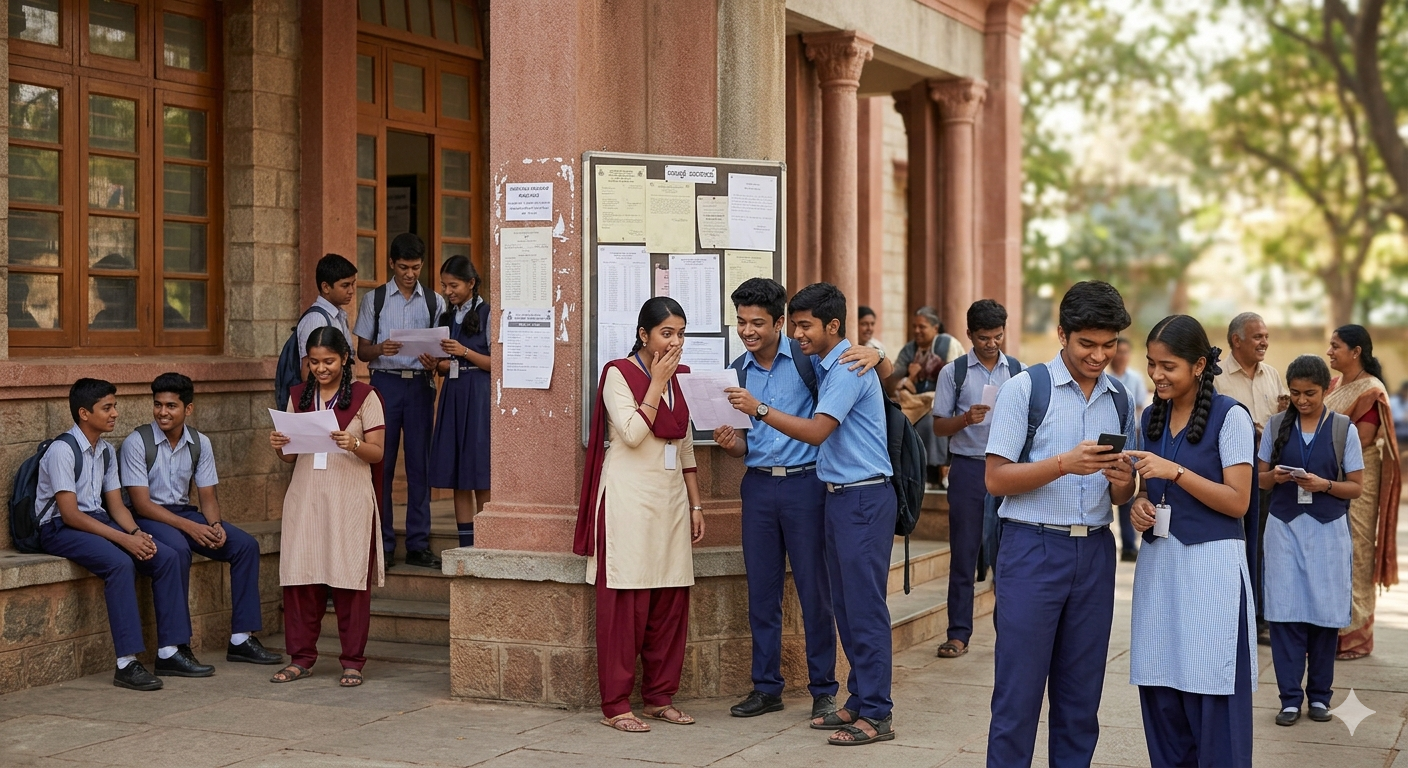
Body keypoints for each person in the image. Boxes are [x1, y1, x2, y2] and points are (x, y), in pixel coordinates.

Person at [725, 282, 897, 747]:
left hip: (860, 495)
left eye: (804, 326)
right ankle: (859, 702)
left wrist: (760, 408)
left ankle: (877, 714)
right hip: (838, 494)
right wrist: (879, 354)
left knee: (862, 609)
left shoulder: (842, 366)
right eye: (796, 325)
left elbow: (819, 431)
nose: (798, 335)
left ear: (831, 327)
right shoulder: (827, 363)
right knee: (847, 604)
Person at [983, 281, 1137, 767]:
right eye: (1086, 344)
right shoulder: (1025, 390)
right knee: (1018, 694)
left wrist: (1122, 479)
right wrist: (1063, 464)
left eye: (1108, 345)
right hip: (1032, 550)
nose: (1098, 356)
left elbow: (1122, 493)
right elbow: (995, 478)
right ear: (1062, 335)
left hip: (1094, 551)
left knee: (1080, 698)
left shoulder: (1120, 398)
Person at [713, 278, 861, 722]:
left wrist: (877, 354)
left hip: (806, 485)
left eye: (757, 322)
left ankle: (823, 689)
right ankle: (766, 688)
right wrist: (730, 444)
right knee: (762, 592)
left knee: (816, 591)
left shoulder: (806, 361)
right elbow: (745, 443)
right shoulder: (737, 369)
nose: (747, 330)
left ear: (780, 323)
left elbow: (853, 375)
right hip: (757, 486)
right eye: (740, 321)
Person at [1125, 316, 1258, 767]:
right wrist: (1140, 503)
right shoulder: (1151, 417)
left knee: (1211, 680)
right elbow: (1148, 489)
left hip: (1212, 568)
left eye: (1168, 366)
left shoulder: (1231, 417)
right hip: (1161, 566)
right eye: (1151, 365)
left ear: (1199, 365)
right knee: (1162, 682)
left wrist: (1176, 472)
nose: (1157, 375)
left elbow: (1238, 501)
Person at [574, 297, 705, 733]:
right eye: (667, 333)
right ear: (644, 335)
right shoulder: (618, 372)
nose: (675, 341)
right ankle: (616, 705)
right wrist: (657, 383)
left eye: (681, 333)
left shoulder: (676, 380)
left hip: (670, 500)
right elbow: (630, 434)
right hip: (628, 497)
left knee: (669, 598)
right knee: (627, 602)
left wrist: (696, 504)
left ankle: (659, 697)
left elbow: (684, 444)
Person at [36, 379, 212, 691]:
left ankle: (170, 651)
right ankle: (126, 663)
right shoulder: (62, 450)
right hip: (60, 529)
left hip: (97, 519)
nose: (115, 413)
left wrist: (135, 532)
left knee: (166, 555)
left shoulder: (104, 451)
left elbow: (116, 506)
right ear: (84, 413)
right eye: (108, 407)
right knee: (120, 564)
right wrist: (123, 540)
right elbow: (70, 514)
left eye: (114, 406)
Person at [120, 373, 283, 667]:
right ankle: (172, 649)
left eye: (170, 406)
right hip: (148, 517)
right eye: (157, 405)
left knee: (245, 545)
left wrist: (215, 525)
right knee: (178, 551)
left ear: (188, 409)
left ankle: (241, 639)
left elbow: (207, 496)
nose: (162, 412)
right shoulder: (137, 442)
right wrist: (191, 527)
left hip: (185, 513)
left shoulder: (200, 442)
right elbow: (141, 504)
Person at [269, 327, 387, 687]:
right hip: (306, 496)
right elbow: (290, 457)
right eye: (315, 362)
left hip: (348, 498)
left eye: (329, 361)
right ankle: (301, 657)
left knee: (349, 579)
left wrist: (353, 442)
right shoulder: (298, 397)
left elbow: (377, 452)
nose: (321, 369)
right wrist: (278, 445)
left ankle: (352, 661)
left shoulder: (367, 397)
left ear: (346, 359)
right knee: (301, 577)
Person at [1258, 355, 1362, 727]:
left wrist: (1324, 485)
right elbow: (1259, 479)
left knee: (1323, 613)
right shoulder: (1274, 425)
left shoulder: (1342, 429)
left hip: (1327, 529)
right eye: (1296, 393)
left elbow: (1356, 486)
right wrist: (1278, 479)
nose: (1302, 400)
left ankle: (1320, 697)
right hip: (1284, 527)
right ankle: (1289, 699)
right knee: (1285, 613)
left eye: (1311, 394)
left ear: (1326, 390)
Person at [931, 299, 1019, 660]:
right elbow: (938, 425)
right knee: (964, 553)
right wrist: (966, 419)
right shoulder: (954, 374)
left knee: (1009, 555)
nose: (991, 344)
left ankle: (1009, 634)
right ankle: (958, 633)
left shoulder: (1017, 371)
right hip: (968, 467)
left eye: (998, 336)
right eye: (984, 337)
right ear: (969, 335)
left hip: (1008, 468)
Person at [353, 233, 447, 570]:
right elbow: (361, 351)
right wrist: (381, 349)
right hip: (384, 386)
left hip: (421, 385)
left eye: (416, 268)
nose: (410, 274)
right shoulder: (374, 300)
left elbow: (442, 350)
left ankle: (419, 544)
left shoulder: (435, 302)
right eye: (404, 267)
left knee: (420, 464)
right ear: (392, 264)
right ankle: (384, 542)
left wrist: (433, 362)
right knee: (382, 464)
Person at [1325, 324, 1402, 660]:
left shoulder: (1370, 390)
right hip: (1328, 477)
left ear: (1356, 352)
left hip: (1359, 479)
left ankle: (1354, 636)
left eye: (1335, 346)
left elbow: (1364, 438)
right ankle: (1329, 631)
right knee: (1331, 552)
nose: (1329, 352)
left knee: (1356, 550)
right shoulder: (1333, 385)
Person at [1215, 311, 1289, 644]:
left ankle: (1261, 616)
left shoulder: (1273, 375)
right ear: (1236, 340)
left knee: (1264, 547)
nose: (1264, 343)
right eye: (1258, 337)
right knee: (1236, 545)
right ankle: (1236, 612)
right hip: (1231, 476)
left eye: (1266, 337)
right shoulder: (1216, 378)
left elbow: (1282, 424)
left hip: (1268, 474)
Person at [428, 256, 491, 548]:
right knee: (457, 471)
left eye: (453, 285)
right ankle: (465, 542)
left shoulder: (488, 313)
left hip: (477, 395)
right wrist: (434, 363)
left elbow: (496, 363)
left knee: (478, 470)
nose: (448, 291)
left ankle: (486, 540)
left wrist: (463, 351)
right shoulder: (445, 317)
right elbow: (446, 364)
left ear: (471, 283)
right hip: (452, 392)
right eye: (444, 285)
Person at [887, 307, 965, 485]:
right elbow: (893, 378)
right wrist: (910, 376)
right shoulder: (910, 349)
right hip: (917, 403)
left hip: (949, 400)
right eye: (914, 326)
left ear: (935, 328)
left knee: (932, 421)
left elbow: (954, 379)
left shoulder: (947, 344)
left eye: (922, 327)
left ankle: (937, 473)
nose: (916, 331)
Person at [1110, 337, 1150, 563]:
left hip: (1130, 435)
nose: (1121, 356)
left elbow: (1139, 408)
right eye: (1119, 351)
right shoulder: (1104, 377)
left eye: (1126, 352)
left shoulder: (1134, 378)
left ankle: (1128, 545)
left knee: (1127, 488)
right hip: (1107, 438)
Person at [297, 253, 357, 370]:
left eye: (352, 284)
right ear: (325, 287)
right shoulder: (316, 319)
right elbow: (308, 371)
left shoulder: (338, 315)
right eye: (345, 285)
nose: (351, 291)